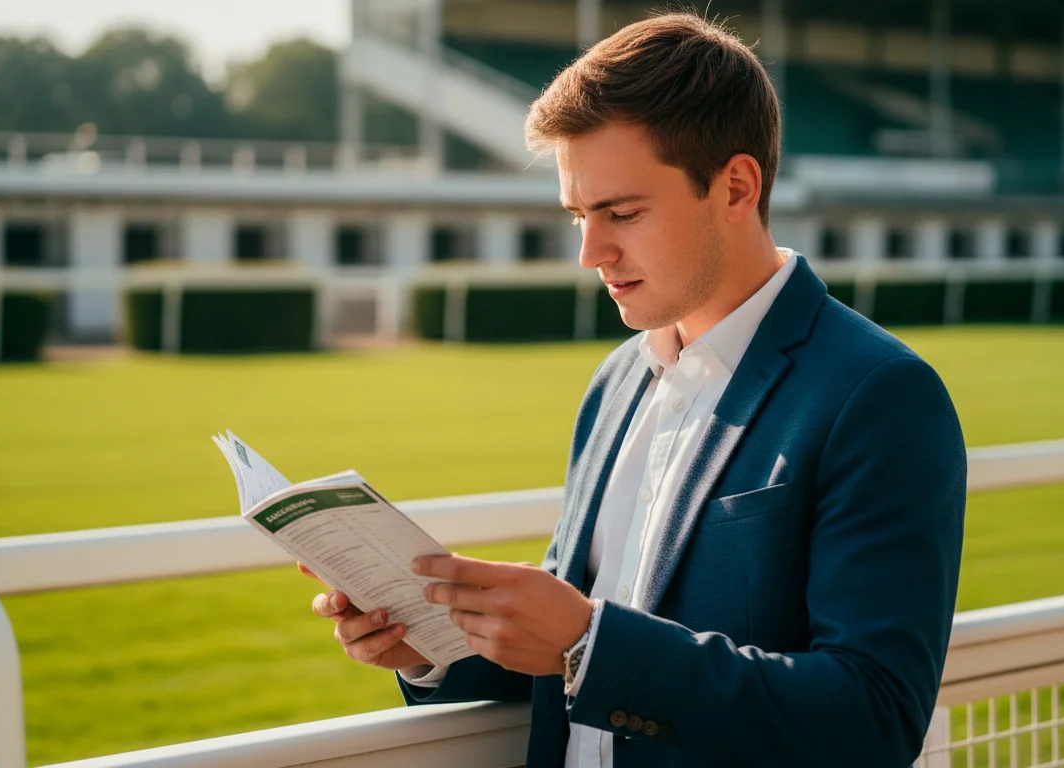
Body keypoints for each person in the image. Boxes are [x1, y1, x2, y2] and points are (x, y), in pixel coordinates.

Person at [300, 11, 967, 767]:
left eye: (621, 212)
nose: (590, 251)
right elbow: (573, 656)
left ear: (736, 187)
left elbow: (873, 716)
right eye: (580, 216)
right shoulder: (616, 380)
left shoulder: (878, 395)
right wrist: (429, 644)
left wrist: (588, 638)